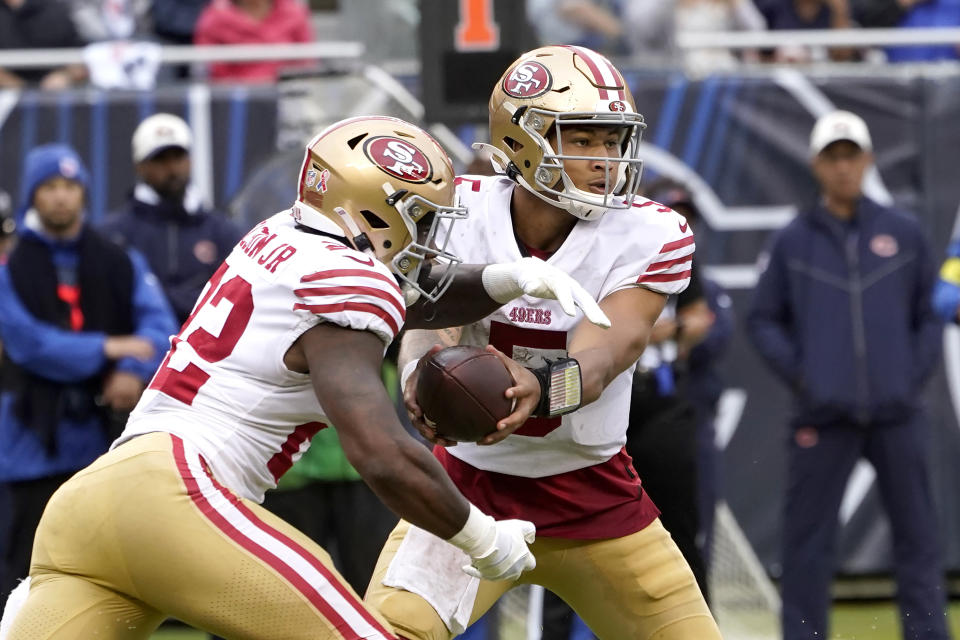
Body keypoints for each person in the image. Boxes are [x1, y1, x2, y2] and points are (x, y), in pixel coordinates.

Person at [0, 116, 613, 639]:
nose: (427, 238)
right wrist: (481, 537)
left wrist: (502, 279)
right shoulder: (350, 281)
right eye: (421, 218)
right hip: (180, 492)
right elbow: (379, 452)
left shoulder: (275, 235)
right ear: (375, 208)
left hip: (91, 502)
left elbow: (404, 301)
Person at [365, 46, 721, 640]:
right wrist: (418, 378)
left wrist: (542, 385)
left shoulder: (648, 231)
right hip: (467, 490)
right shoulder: (459, 210)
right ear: (523, 139)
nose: (604, 160)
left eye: (612, 141)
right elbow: (431, 321)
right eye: (583, 140)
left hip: (594, 493)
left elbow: (606, 353)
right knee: (387, 633)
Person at [746, 110, 951, 640]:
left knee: (918, 538)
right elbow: (763, 318)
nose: (843, 168)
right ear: (817, 165)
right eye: (833, 158)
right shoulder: (794, 240)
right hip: (824, 413)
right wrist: (806, 377)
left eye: (851, 156)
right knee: (807, 543)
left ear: (868, 160)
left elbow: (929, 312)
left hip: (897, 412)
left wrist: (910, 374)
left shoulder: (902, 232)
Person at [0, 143, 177, 602]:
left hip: (103, 439)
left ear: (84, 193)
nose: (61, 197)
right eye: (50, 187)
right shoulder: (11, 267)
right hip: (31, 442)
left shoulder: (117, 258)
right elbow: (30, 344)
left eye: (70, 186)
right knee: (27, 574)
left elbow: (162, 331)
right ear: (32, 196)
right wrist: (110, 348)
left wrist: (133, 370)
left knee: (106, 575)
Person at [101, 113, 244, 324]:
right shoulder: (113, 235)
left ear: (190, 160)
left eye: (178, 157)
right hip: (142, 348)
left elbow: (236, 298)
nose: (171, 168)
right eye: (160, 159)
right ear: (139, 166)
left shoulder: (222, 232)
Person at [193, 0, 315, 83]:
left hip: (288, 97)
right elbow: (209, 70)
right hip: (234, 101)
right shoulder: (214, 18)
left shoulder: (294, 12)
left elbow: (306, 63)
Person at [0, 0, 89, 89]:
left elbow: (82, 58)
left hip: (56, 92)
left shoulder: (56, 10)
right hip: (7, 92)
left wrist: (66, 76)